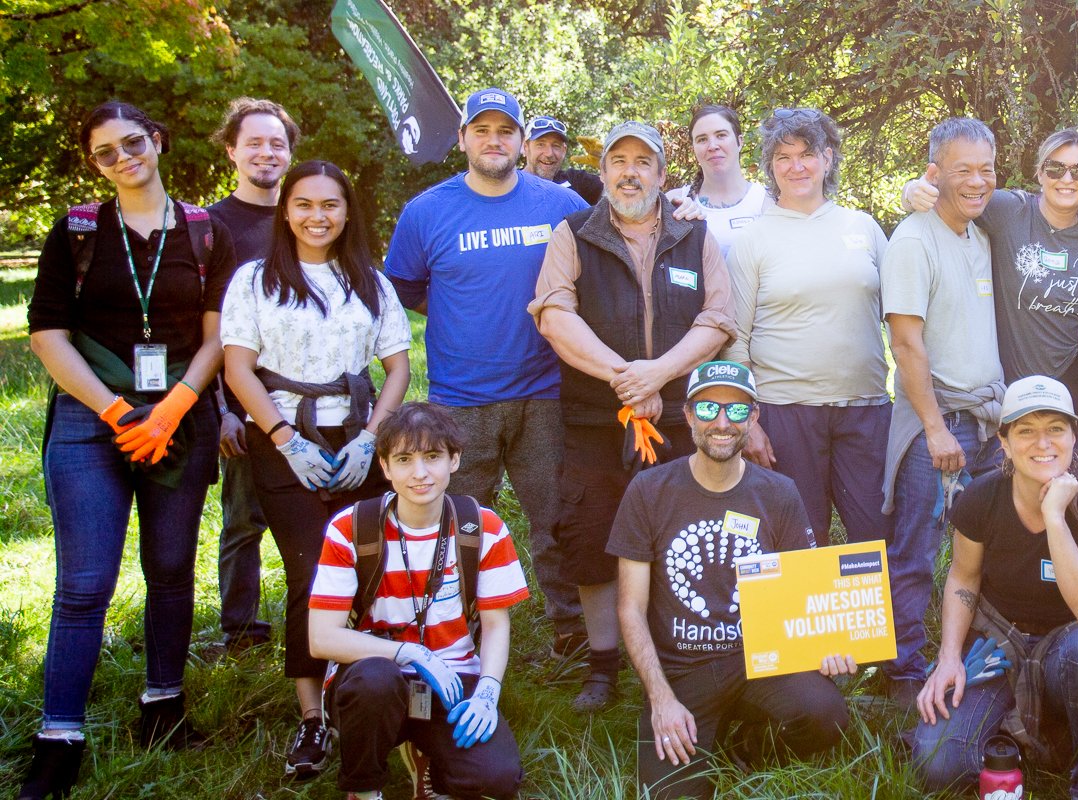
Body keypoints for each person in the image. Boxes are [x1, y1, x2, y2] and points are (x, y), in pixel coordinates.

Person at [21, 101, 237, 799]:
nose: (123, 158)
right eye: (105, 152)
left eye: (133, 143)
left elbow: (218, 336)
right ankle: (59, 735)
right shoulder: (77, 231)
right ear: (94, 164)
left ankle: (163, 706)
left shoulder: (205, 232)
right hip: (93, 417)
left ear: (159, 141)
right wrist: (118, 412)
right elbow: (47, 334)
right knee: (84, 587)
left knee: (172, 569)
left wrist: (171, 410)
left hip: (180, 415)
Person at [529, 120, 735, 712]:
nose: (629, 171)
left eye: (643, 162)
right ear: (602, 173)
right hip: (597, 421)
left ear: (664, 175)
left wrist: (658, 374)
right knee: (592, 538)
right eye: (617, 160)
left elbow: (718, 319)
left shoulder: (695, 238)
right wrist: (625, 376)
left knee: (678, 540)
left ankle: (676, 657)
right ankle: (602, 666)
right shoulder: (573, 234)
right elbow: (554, 315)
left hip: (678, 422)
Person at [221, 159, 413, 780]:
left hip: (358, 436)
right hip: (285, 441)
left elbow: (399, 369)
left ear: (348, 211)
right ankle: (312, 717)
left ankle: (373, 690)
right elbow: (238, 368)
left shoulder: (371, 281)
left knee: (369, 567)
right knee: (310, 574)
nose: (317, 216)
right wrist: (284, 439)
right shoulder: (254, 280)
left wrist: (369, 439)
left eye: (330, 204)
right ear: (286, 210)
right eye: (304, 204)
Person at [385, 87, 589, 661]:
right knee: (457, 524)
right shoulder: (426, 211)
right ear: (462, 140)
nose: (494, 141)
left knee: (556, 517)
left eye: (506, 131)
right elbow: (403, 287)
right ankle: (457, 634)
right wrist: (460, 309)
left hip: (547, 392)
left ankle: (571, 628)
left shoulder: (560, 206)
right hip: (460, 399)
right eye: (482, 130)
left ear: (523, 142)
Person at [609, 361, 854, 800]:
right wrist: (661, 698)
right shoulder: (649, 490)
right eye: (707, 409)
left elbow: (806, 593)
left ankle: (746, 746)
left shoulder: (779, 492)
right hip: (683, 670)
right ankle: (697, 737)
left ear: (753, 418)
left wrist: (826, 645)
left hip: (759, 659)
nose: (722, 423)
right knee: (673, 794)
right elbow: (629, 608)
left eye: (737, 411)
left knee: (826, 714)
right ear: (687, 415)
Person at [909, 376, 1078, 799]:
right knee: (939, 764)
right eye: (1025, 430)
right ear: (1005, 442)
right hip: (997, 646)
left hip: (1071, 650)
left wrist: (1055, 517)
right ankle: (1011, 728)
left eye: (1055, 428)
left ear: (1073, 435)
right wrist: (949, 658)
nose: (1042, 443)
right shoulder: (982, 498)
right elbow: (963, 577)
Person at [308, 402, 530, 800]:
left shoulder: (484, 527)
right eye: (405, 459)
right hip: (371, 680)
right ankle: (364, 787)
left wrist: (487, 693)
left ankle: (431, 763)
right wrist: (413, 653)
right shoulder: (350, 528)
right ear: (385, 467)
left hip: (453, 680)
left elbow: (497, 624)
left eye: (433, 457)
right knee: (376, 681)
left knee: (496, 781)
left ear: (455, 460)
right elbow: (322, 639)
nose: (420, 473)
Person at [720, 107, 892, 547]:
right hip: (785, 412)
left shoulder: (864, 228)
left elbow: (901, 320)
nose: (796, 166)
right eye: (783, 157)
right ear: (770, 167)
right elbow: (734, 339)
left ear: (829, 158)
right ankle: (799, 618)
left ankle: (868, 617)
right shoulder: (752, 241)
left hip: (866, 409)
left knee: (874, 532)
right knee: (799, 537)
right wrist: (750, 422)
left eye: (807, 154)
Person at [880, 117, 1006, 706]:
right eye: (963, 171)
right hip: (940, 423)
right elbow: (906, 343)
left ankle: (973, 661)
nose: (977, 182)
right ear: (935, 172)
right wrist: (934, 429)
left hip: (985, 424)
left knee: (978, 549)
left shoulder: (978, 237)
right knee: (915, 549)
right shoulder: (913, 238)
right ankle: (903, 672)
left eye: (987, 169)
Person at [900, 127, 1078, 448]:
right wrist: (911, 191)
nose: (1067, 179)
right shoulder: (1010, 212)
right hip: (1018, 389)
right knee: (1024, 490)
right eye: (1056, 168)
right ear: (1041, 173)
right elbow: (955, 193)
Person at [207, 96, 299, 655]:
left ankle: (316, 620)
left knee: (311, 518)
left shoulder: (305, 215)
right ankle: (240, 631)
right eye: (255, 142)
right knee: (244, 521)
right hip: (242, 400)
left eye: (277, 143)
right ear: (232, 150)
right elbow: (208, 330)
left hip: (314, 402)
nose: (267, 152)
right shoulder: (211, 226)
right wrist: (221, 409)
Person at [664, 104, 769, 256]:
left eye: (721, 135)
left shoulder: (765, 201)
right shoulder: (675, 201)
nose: (712, 146)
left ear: (740, 142)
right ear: (693, 148)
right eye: (702, 139)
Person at [526, 115, 604, 205]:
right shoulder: (510, 184)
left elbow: (618, 197)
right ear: (525, 147)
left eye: (556, 146)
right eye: (541, 144)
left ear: (564, 150)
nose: (549, 153)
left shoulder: (577, 181)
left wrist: (607, 163)